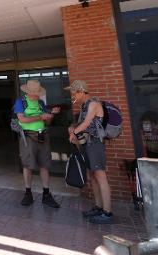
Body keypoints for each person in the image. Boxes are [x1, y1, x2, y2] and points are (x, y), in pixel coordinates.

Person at [66, 80, 113, 224]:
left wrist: (73, 132)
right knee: (92, 176)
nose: (72, 95)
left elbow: (86, 124)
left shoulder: (93, 104)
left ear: (80, 91)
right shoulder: (84, 106)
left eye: (73, 92)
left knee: (100, 176)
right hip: (87, 144)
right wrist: (73, 128)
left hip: (95, 144)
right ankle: (98, 207)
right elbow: (82, 124)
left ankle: (107, 212)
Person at [14, 79, 61, 208]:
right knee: (27, 165)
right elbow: (22, 118)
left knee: (44, 164)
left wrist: (51, 115)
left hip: (43, 135)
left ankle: (46, 194)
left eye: (38, 92)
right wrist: (40, 117)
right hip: (28, 136)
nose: (37, 95)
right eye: (35, 92)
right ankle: (28, 193)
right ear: (29, 92)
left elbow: (47, 122)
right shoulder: (21, 102)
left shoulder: (41, 103)